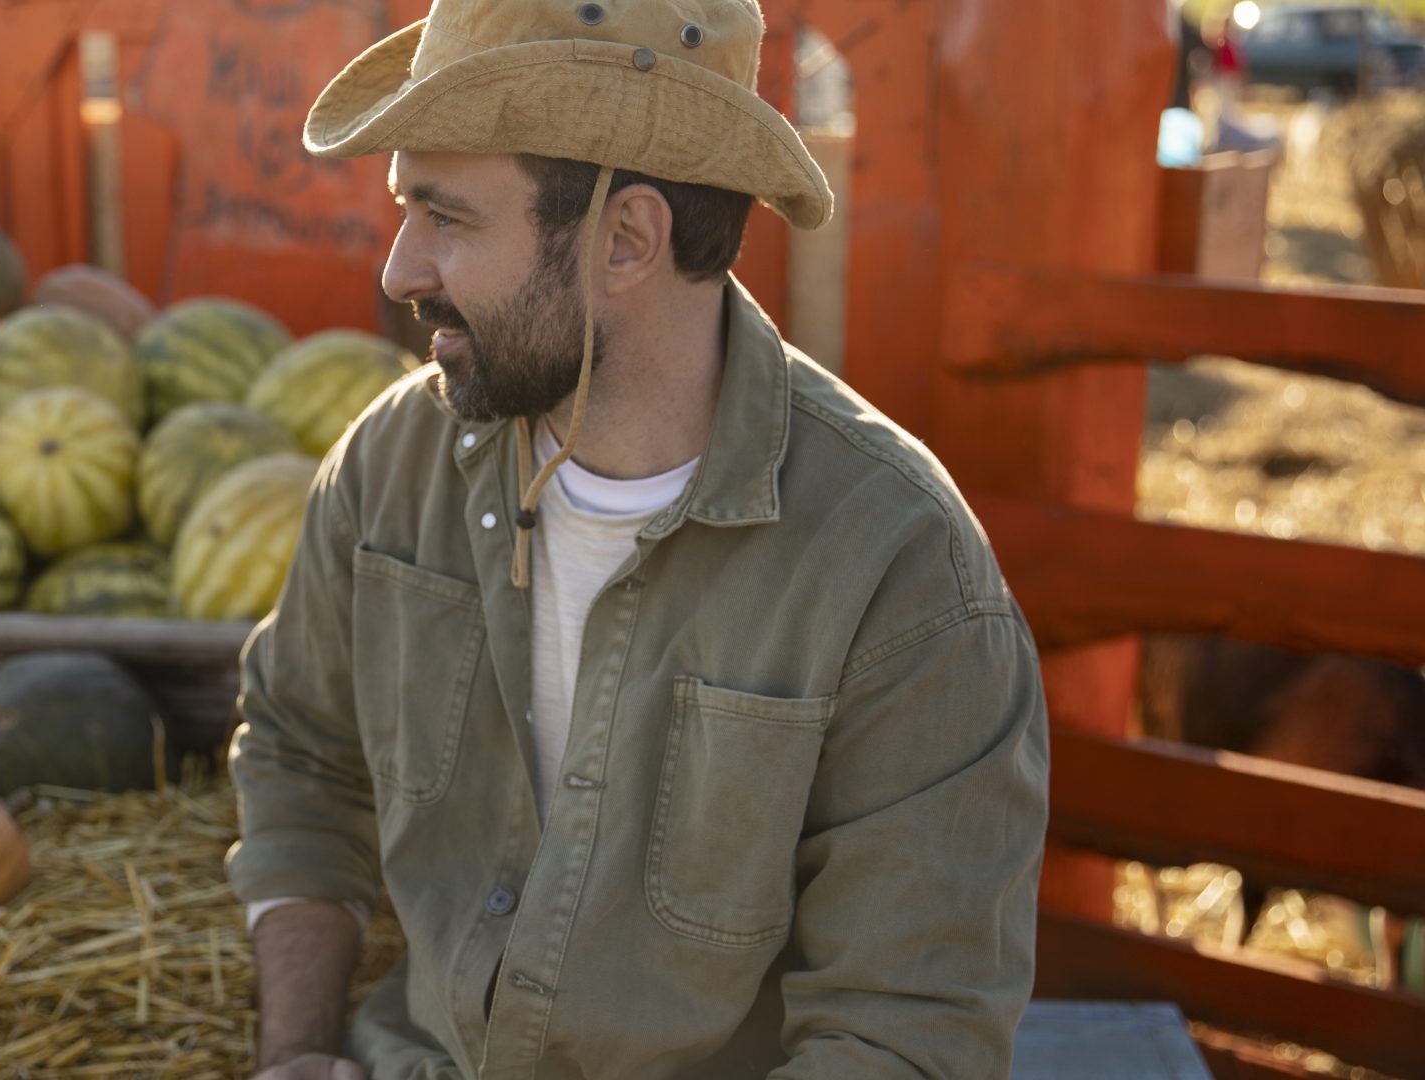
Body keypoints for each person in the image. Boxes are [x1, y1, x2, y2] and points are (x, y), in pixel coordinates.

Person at [226, 0, 1051, 1077]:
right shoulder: (392, 468)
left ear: (626, 240)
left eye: (449, 218)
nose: (400, 269)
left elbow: (906, 1029)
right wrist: (294, 1052)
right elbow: (300, 756)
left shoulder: (899, 570)